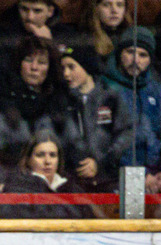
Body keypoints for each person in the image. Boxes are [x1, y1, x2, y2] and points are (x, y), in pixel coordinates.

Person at [101, 27, 161, 193]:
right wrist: (139, 174)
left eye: (143, 55)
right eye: (130, 52)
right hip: (117, 176)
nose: (135, 60)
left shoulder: (160, 92)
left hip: (158, 175)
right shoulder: (103, 90)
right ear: (119, 54)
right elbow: (104, 142)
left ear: (150, 60)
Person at [54, 44, 132, 190]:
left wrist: (100, 163)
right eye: (63, 68)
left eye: (71, 67)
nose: (66, 74)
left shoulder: (110, 97)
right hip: (72, 181)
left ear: (86, 67)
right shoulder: (62, 101)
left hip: (108, 178)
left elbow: (126, 134)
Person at [0, 128, 93, 219]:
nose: (47, 161)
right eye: (40, 155)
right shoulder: (16, 188)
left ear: (59, 159)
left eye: (52, 155)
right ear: (28, 160)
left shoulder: (72, 189)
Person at [0, 36, 66, 144]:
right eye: (28, 60)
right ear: (19, 63)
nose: (34, 67)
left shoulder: (60, 100)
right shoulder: (3, 96)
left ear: (51, 67)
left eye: (41, 62)